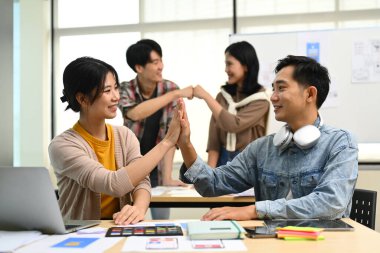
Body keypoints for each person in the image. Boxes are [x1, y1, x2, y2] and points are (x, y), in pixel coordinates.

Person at [175, 55, 358, 220]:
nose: (273, 97)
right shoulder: (262, 148)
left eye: (281, 88)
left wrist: (255, 210)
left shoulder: (340, 143)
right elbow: (213, 184)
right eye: (273, 89)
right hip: (273, 243)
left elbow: (330, 203)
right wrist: (185, 144)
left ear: (309, 94)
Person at [48, 57, 182, 225]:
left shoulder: (124, 135)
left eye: (116, 88)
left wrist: (138, 209)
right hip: (79, 234)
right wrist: (167, 142)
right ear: (82, 99)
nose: (116, 97)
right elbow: (114, 184)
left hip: (119, 230)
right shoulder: (62, 146)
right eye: (107, 90)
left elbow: (141, 180)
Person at [118, 39, 193, 219]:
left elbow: (171, 135)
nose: (161, 66)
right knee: (128, 219)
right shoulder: (125, 89)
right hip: (130, 166)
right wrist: (174, 95)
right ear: (139, 68)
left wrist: (167, 178)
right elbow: (134, 113)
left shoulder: (169, 87)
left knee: (161, 220)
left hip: (157, 166)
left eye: (161, 60)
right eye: (155, 62)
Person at [193, 41, 270, 167]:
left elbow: (234, 124)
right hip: (222, 160)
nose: (226, 69)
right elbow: (214, 138)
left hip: (249, 163)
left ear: (245, 66)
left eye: (229, 64)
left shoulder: (261, 100)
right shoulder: (222, 97)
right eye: (225, 64)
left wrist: (206, 97)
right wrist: (209, 174)